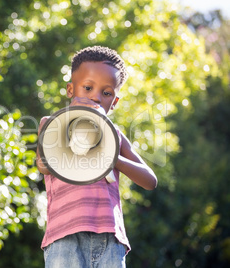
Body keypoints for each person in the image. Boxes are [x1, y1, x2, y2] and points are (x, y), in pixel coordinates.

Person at [36, 45, 158, 268]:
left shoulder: (116, 137)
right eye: (88, 87)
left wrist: (113, 159)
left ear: (114, 103)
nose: (96, 97)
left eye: (107, 92)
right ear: (71, 90)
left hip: (110, 238)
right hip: (64, 237)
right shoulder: (50, 123)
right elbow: (43, 166)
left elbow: (150, 181)